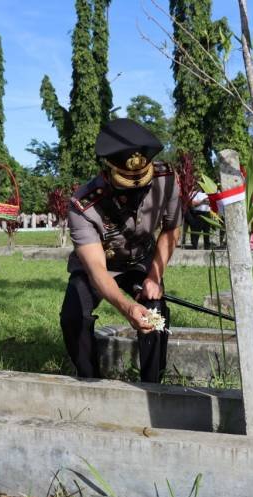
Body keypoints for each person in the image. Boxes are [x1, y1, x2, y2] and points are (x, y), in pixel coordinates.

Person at [60, 118, 182, 383]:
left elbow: (171, 229)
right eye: (128, 184)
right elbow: (97, 271)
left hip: (139, 260)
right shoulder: (83, 205)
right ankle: (88, 379)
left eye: (143, 182)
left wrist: (154, 277)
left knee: (155, 309)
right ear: (108, 171)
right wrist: (127, 307)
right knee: (73, 314)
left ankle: (153, 385)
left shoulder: (167, 178)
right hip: (99, 266)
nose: (138, 190)